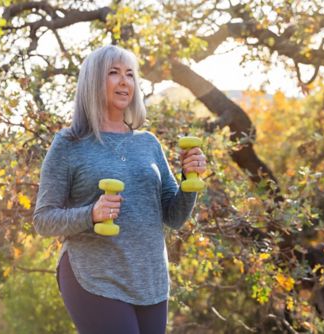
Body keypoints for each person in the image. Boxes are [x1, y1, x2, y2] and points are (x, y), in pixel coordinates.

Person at [33, 44, 207, 334]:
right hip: (94, 276)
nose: (124, 81)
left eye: (130, 74)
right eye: (113, 73)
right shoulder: (69, 144)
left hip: (149, 280)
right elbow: (43, 219)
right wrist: (92, 214)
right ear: (93, 81)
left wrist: (190, 179)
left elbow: (174, 217)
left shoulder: (148, 144)